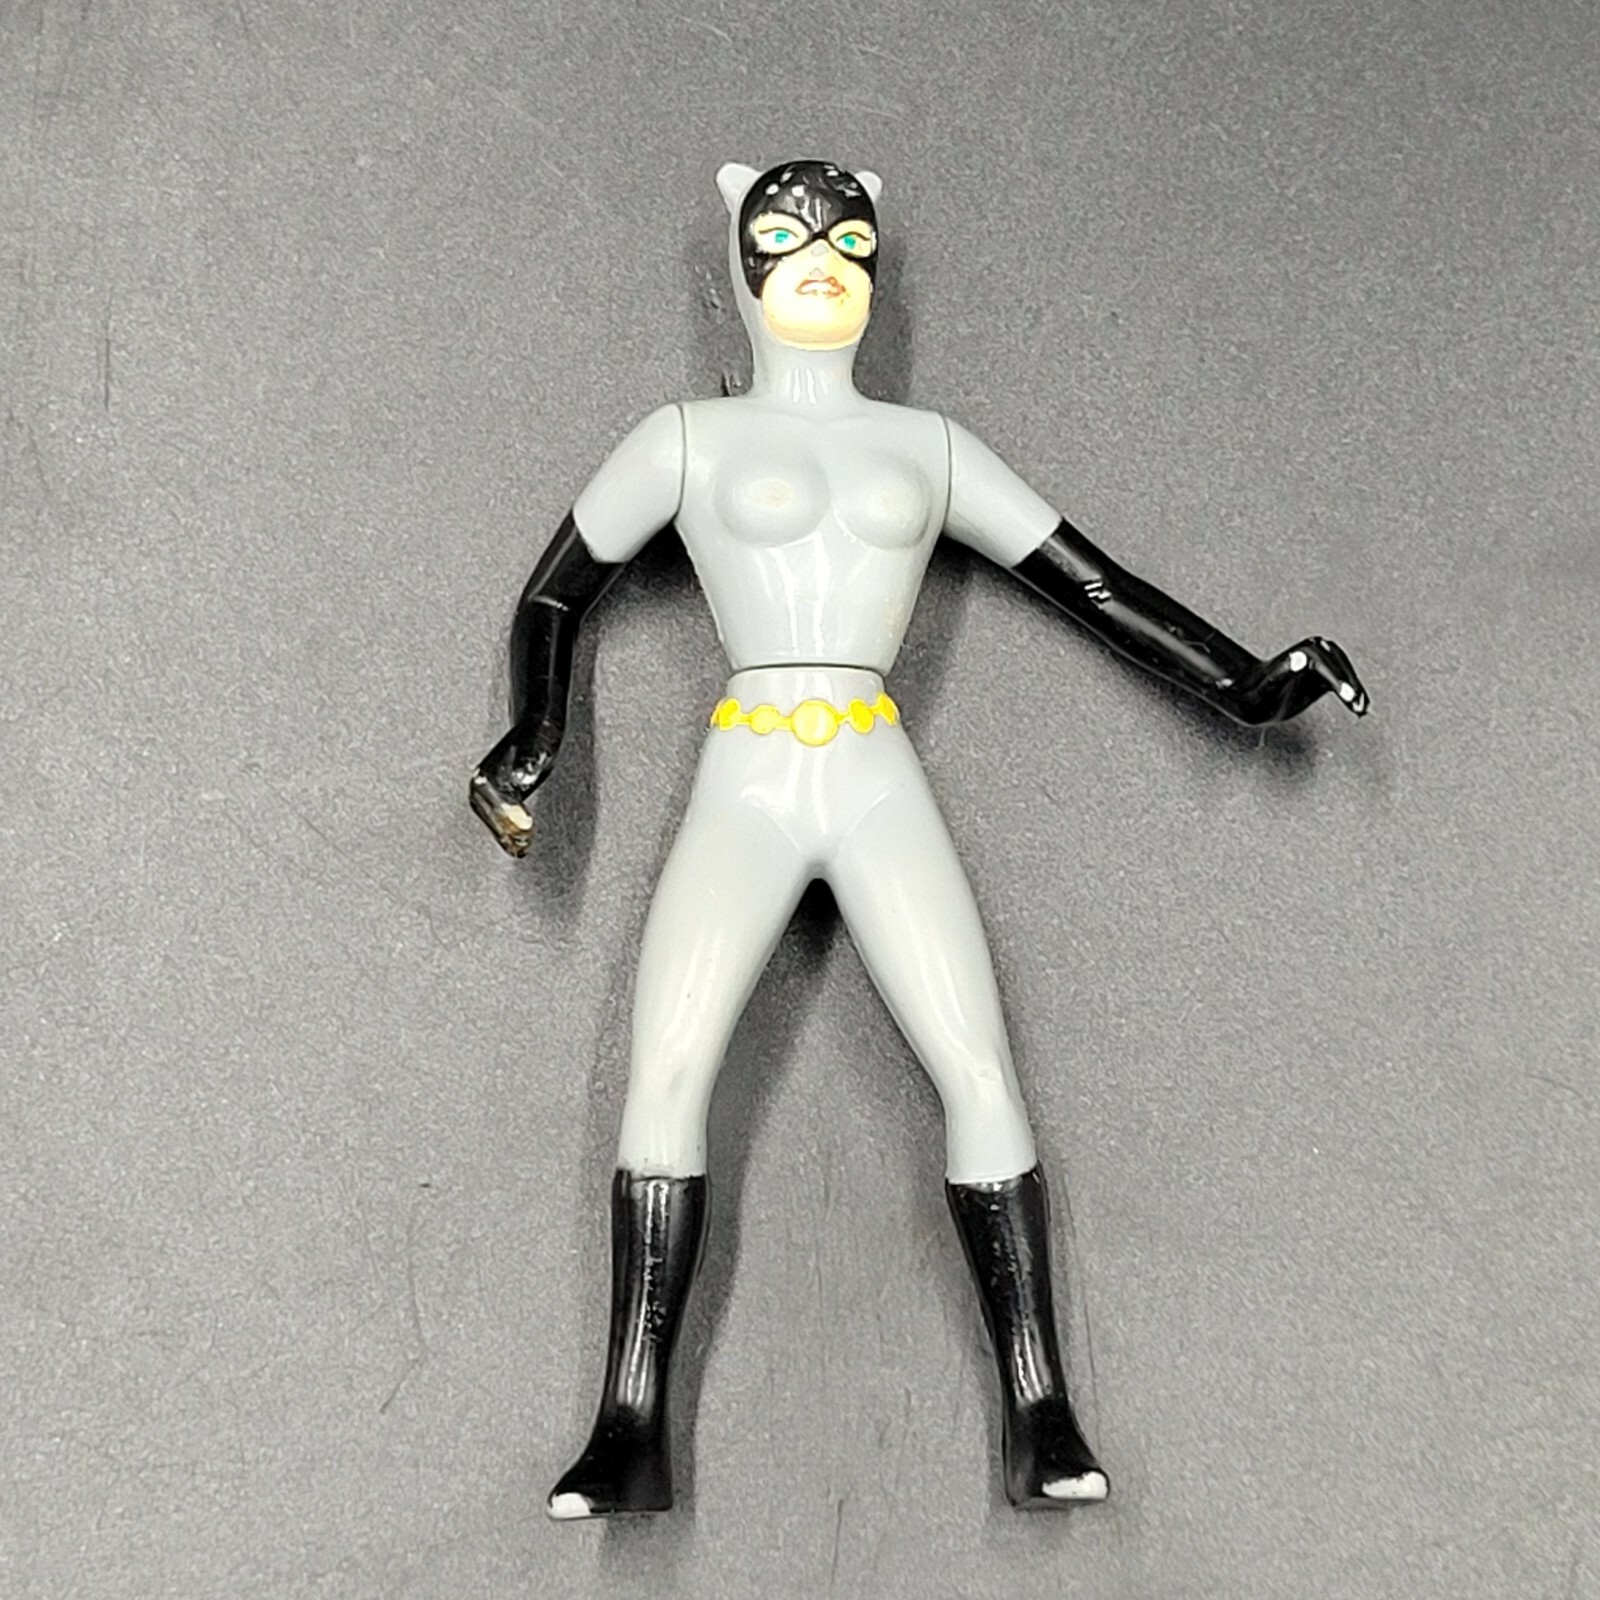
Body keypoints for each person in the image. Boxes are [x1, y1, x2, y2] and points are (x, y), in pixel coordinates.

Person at [470, 158, 1369, 1518]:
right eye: (785, 235)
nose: (820, 260)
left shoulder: (930, 448)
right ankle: (627, 1424)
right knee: (669, 1068)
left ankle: (1040, 1411)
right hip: (748, 775)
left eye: (848, 239)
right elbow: (554, 597)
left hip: (873, 769)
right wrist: (536, 726)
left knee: (979, 1067)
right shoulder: (683, 442)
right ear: (741, 263)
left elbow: (1095, 587)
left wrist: (1244, 687)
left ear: (877, 266)